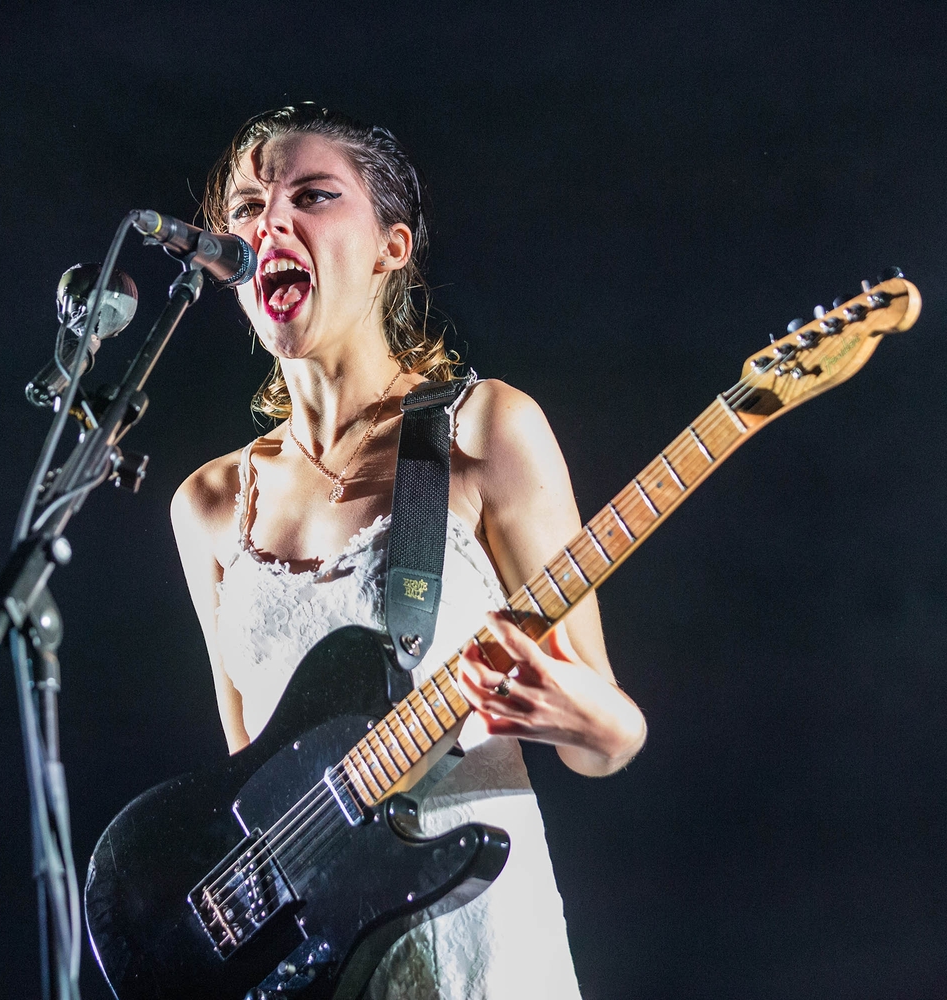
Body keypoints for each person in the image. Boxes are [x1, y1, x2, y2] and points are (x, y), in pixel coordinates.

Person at [171, 104, 648, 999]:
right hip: (330, 972)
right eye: (245, 207)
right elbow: (250, 786)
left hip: (484, 951)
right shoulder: (206, 506)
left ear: (392, 248)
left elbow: (608, 733)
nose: (268, 223)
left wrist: (582, 714)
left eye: (312, 195)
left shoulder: (487, 432)